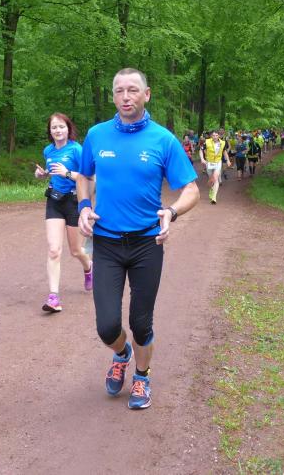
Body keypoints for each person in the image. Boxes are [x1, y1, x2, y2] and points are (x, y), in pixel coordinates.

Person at [76, 68, 199, 410]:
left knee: (141, 322)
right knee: (107, 326)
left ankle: (142, 376)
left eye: (133, 90)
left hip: (147, 243)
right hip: (106, 243)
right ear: (113, 95)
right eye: (119, 90)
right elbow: (84, 176)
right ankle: (122, 353)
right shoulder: (96, 135)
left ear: (147, 95)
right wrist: (83, 206)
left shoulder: (163, 140)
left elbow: (191, 189)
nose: (125, 96)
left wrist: (171, 212)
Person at [34, 113, 93, 313]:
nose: (58, 130)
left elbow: (89, 177)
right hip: (54, 201)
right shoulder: (48, 150)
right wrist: (42, 174)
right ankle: (53, 297)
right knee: (53, 250)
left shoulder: (77, 150)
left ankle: (88, 267)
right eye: (54, 127)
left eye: (61, 127)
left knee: (76, 251)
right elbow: (52, 173)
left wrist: (67, 173)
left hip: (74, 202)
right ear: (50, 131)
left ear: (68, 129)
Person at [200, 129, 230, 204]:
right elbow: (201, 150)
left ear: (219, 136)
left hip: (218, 162)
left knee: (216, 178)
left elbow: (225, 152)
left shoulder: (222, 143)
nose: (215, 137)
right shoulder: (206, 142)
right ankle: (211, 189)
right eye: (213, 135)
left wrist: (228, 160)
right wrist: (202, 159)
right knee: (211, 179)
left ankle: (214, 197)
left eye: (216, 135)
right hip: (209, 162)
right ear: (211, 136)